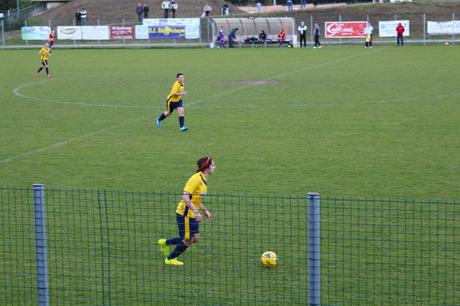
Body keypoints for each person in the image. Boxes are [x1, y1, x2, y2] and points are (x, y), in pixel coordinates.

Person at [158, 156, 216, 266]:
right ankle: (170, 259)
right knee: (188, 240)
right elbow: (185, 197)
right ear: (206, 167)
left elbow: (196, 199)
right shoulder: (196, 178)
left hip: (192, 213)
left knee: (195, 238)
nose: (215, 167)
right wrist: (196, 212)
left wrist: (205, 210)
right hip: (185, 213)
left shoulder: (204, 180)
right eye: (212, 165)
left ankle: (164, 243)